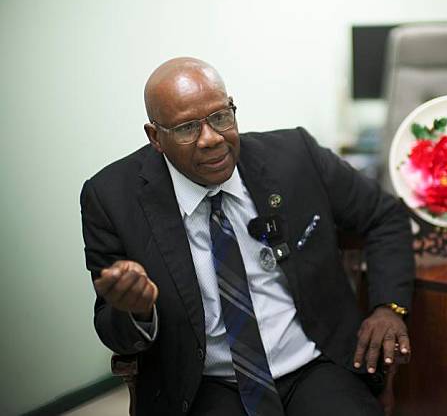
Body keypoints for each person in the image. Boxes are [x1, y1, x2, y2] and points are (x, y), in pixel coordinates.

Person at [80, 57, 415, 416]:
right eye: (187, 128)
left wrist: (388, 308)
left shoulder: (295, 156)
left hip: (314, 364)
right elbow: (114, 330)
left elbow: (386, 215)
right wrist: (136, 312)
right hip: (204, 382)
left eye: (221, 117)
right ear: (155, 137)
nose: (211, 139)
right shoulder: (111, 198)